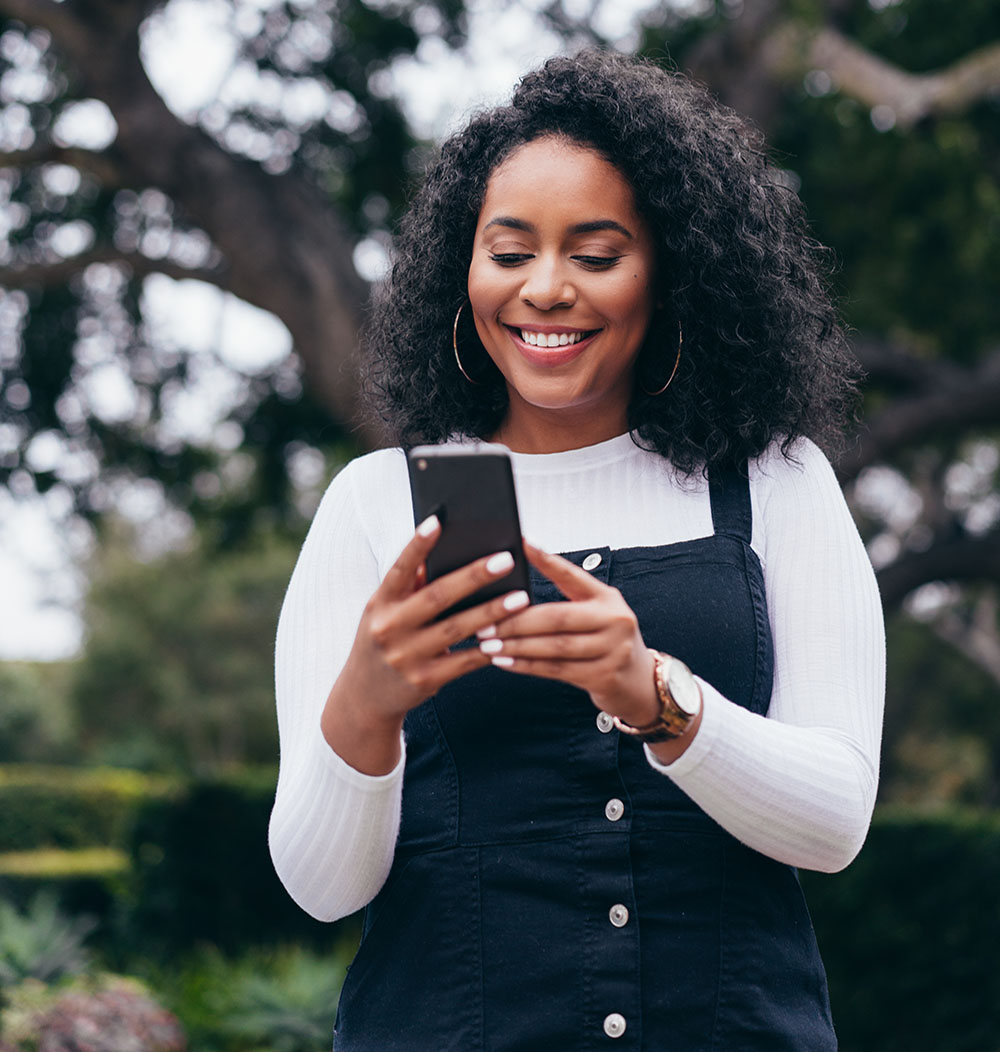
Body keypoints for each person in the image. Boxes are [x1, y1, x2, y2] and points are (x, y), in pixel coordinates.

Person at [270, 49, 885, 1050]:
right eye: (509, 253)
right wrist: (366, 702)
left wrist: (654, 693)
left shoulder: (774, 482)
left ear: (669, 272)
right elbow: (319, 884)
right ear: (463, 271)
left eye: (596, 256)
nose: (545, 289)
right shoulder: (375, 504)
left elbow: (832, 822)